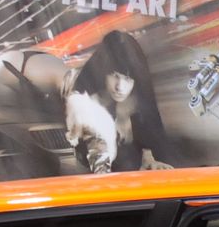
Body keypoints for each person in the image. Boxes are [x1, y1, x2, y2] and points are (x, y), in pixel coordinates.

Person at [67, 30, 171, 172]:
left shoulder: (138, 103)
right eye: (114, 75)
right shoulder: (86, 104)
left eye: (128, 78)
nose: (120, 87)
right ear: (102, 71)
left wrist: (149, 160)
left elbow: (147, 142)